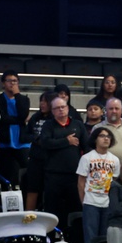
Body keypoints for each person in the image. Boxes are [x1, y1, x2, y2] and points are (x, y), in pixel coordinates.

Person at [40, 97, 87, 230]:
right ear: (52, 111)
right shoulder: (48, 126)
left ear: (67, 108)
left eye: (63, 107)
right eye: (56, 108)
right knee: (53, 209)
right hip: (53, 175)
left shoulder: (78, 124)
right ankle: (52, 238)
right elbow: (45, 143)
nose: (60, 110)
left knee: (75, 208)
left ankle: (74, 240)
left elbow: (87, 147)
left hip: (74, 175)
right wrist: (66, 141)